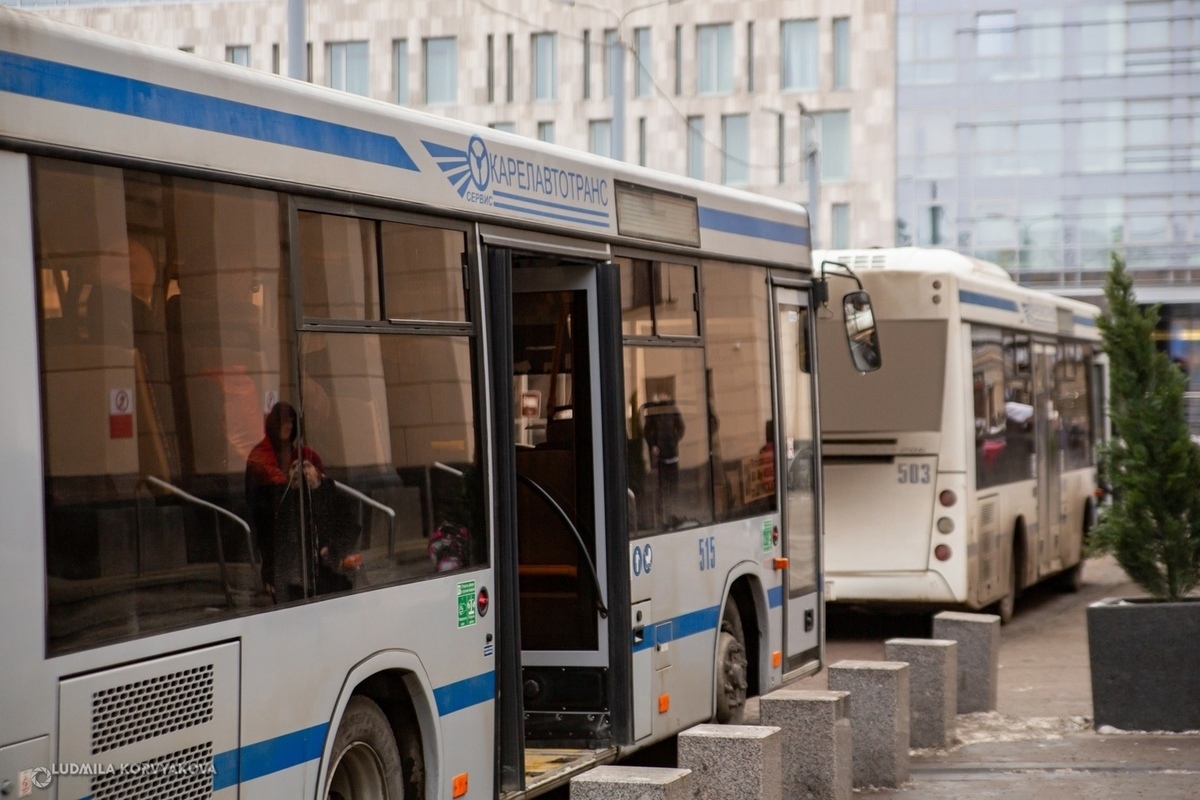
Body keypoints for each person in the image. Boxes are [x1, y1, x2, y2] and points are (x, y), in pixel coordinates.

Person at [245, 401, 327, 601]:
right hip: (270, 518)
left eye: (291, 421)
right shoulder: (260, 455)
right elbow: (256, 500)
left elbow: (322, 487)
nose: (288, 425)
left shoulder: (304, 454)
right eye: (284, 421)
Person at [642, 394, 686, 526]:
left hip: (672, 453)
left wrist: (675, 439)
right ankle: (663, 516)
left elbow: (682, 428)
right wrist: (653, 445)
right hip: (661, 456)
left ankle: (674, 514)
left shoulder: (673, 410)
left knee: (674, 486)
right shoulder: (654, 413)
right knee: (662, 487)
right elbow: (647, 431)